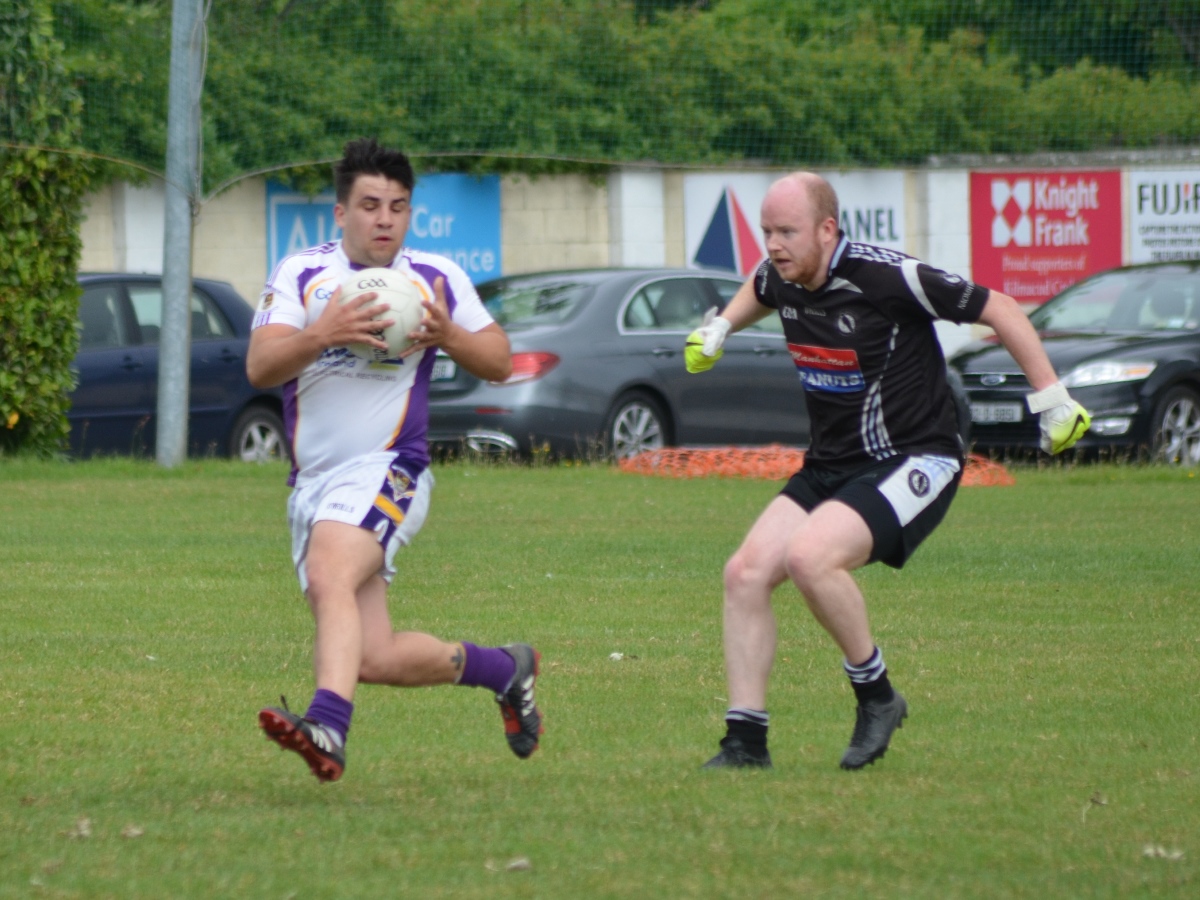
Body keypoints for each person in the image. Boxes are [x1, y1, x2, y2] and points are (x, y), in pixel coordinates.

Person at [685, 172, 1089, 770]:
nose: (772, 244)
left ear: (828, 229)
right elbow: (762, 286)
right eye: (767, 230)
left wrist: (1051, 397)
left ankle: (877, 696)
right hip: (831, 465)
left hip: (913, 457)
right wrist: (722, 325)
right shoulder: (784, 271)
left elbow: (998, 306)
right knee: (744, 573)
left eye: (787, 231)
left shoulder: (887, 276)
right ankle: (746, 742)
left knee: (809, 557)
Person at [246, 138, 542, 782]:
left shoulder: (433, 278)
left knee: (330, 572)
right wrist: (324, 334)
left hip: (390, 469)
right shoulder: (301, 273)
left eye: (398, 207)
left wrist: (450, 335)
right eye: (371, 205)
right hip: (315, 484)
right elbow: (261, 365)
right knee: (373, 657)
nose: (385, 219)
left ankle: (327, 725)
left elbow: (498, 362)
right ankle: (505, 669)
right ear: (340, 213)